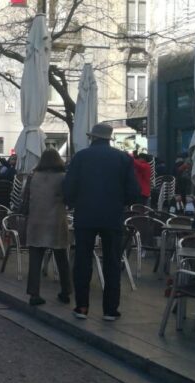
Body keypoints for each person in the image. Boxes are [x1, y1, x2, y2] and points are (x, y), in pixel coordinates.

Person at [64, 124, 140, 321]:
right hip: (112, 217)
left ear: (92, 138)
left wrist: (73, 202)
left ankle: (82, 306)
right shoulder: (123, 158)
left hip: (85, 216)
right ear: (109, 139)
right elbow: (134, 192)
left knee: (82, 261)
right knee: (112, 262)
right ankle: (110, 309)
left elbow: (69, 187)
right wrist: (118, 203)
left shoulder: (81, 157)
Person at [24, 149, 71, 306]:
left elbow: (24, 202)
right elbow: (69, 199)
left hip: (36, 221)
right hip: (56, 221)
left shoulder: (33, 177)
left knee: (35, 259)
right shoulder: (64, 178)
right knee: (61, 258)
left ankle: (34, 294)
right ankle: (66, 291)